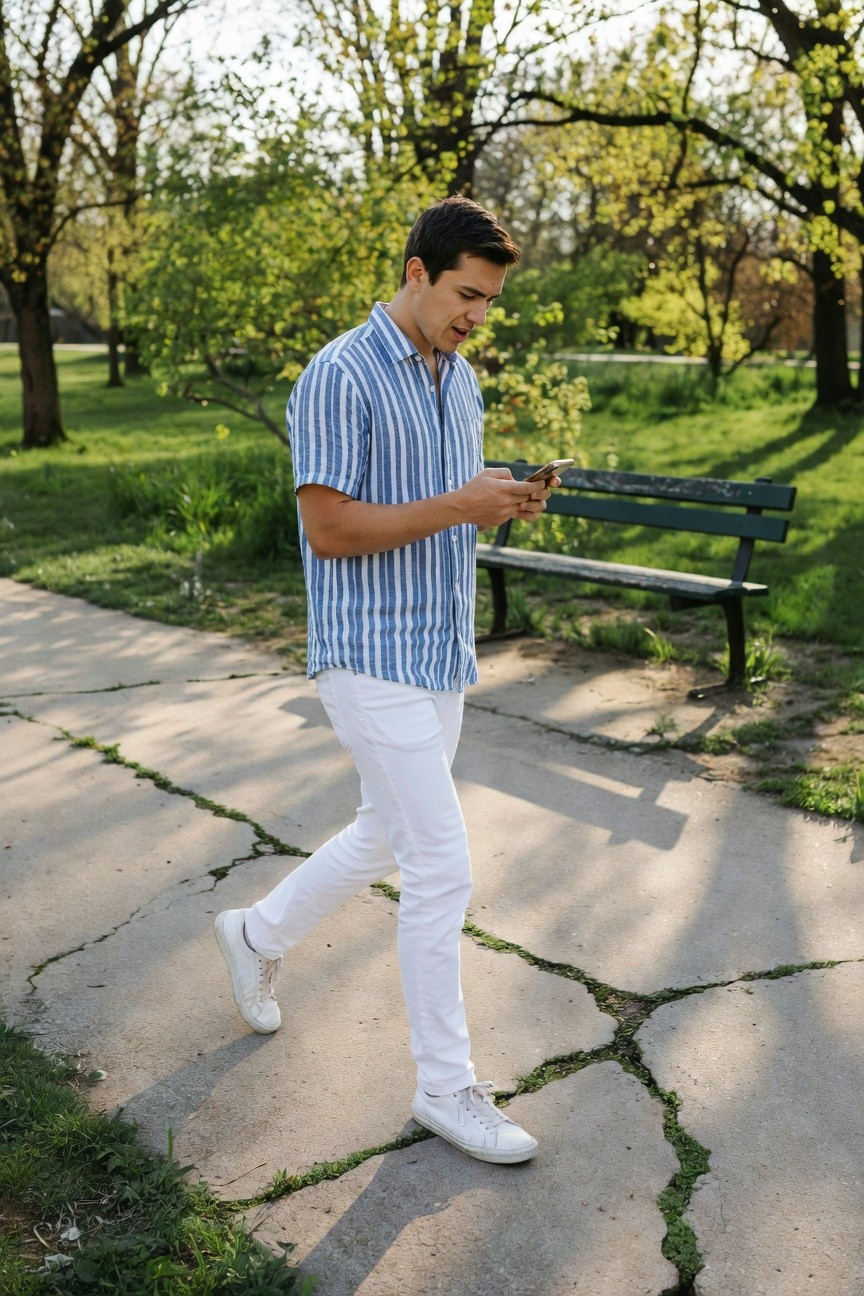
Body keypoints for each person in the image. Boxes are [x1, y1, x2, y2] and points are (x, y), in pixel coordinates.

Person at [215, 194, 555, 1165]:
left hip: (439, 652)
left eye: (489, 302)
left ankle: (256, 931)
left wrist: (496, 503)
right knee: (442, 861)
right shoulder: (340, 373)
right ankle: (447, 1088)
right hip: (366, 656)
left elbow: (442, 507)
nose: (476, 315)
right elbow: (329, 530)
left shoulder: (465, 379)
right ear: (415, 271)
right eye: (464, 294)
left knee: (384, 832)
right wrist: (458, 502)